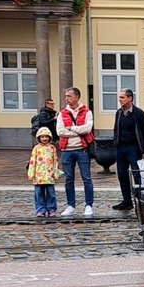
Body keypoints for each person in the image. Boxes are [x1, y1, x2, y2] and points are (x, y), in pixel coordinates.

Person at [56, 87, 95, 217]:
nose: (66, 98)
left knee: (87, 178)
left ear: (77, 97)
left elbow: (87, 129)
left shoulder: (87, 112)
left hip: (82, 149)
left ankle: (89, 205)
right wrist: (78, 132)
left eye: (69, 96)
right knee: (69, 179)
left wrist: (71, 128)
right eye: (66, 96)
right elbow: (60, 131)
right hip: (67, 150)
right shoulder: (62, 113)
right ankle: (70, 205)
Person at [111, 88, 144, 212]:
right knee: (122, 175)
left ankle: (141, 200)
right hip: (121, 148)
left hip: (134, 148)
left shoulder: (138, 113)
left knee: (137, 174)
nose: (120, 100)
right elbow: (116, 129)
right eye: (119, 97)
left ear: (130, 98)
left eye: (122, 97)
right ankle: (127, 201)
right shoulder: (119, 113)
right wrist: (115, 144)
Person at [28, 129, 61, 216]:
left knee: (51, 193)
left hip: (49, 175)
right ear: (39, 138)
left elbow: (55, 161)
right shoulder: (36, 148)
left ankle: (51, 209)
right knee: (39, 194)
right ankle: (40, 209)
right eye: (42, 137)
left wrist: (56, 172)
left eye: (46, 136)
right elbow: (32, 161)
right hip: (38, 176)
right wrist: (31, 173)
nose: (44, 138)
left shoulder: (52, 148)